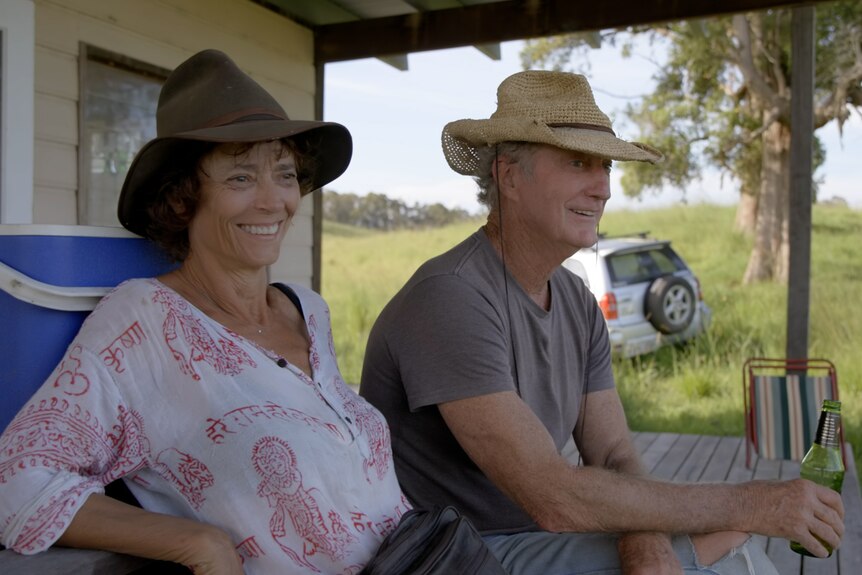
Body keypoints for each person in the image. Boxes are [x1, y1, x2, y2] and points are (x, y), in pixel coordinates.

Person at [359, 70, 845, 575]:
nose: (602, 188)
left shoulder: (575, 299)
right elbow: (552, 495)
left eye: (606, 166)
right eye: (577, 162)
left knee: (723, 541)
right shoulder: (450, 297)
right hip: (458, 552)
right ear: (507, 176)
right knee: (732, 543)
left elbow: (612, 454)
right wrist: (754, 502)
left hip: (538, 534)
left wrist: (644, 535)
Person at [0, 49, 409, 575]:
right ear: (182, 199)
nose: (272, 201)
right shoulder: (143, 321)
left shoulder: (307, 309)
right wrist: (198, 543)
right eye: (240, 179)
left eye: (284, 174)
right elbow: (19, 477)